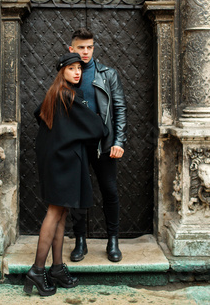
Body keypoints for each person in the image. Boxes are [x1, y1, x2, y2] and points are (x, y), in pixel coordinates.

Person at [24, 52, 108, 297]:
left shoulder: (55, 94)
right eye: (71, 69)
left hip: (56, 160)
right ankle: (38, 270)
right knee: (54, 212)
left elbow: (39, 115)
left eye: (79, 68)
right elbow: (97, 128)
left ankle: (57, 268)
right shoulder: (68, 95)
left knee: (60, 212)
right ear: (62, 72)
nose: (77, 72)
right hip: (64, 162)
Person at [69, 27, 127, 263]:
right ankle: (80, 241)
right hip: (77, 145)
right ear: (71, 48)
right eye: (80, 47)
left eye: (89, 47)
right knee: (79, 194)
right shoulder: (69, 73)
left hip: (104, 144)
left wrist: (118, 141)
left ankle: (113, 240)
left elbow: (119, 109)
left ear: (93, 47)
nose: (85, 51)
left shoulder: (108, 74)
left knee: (109, 192)